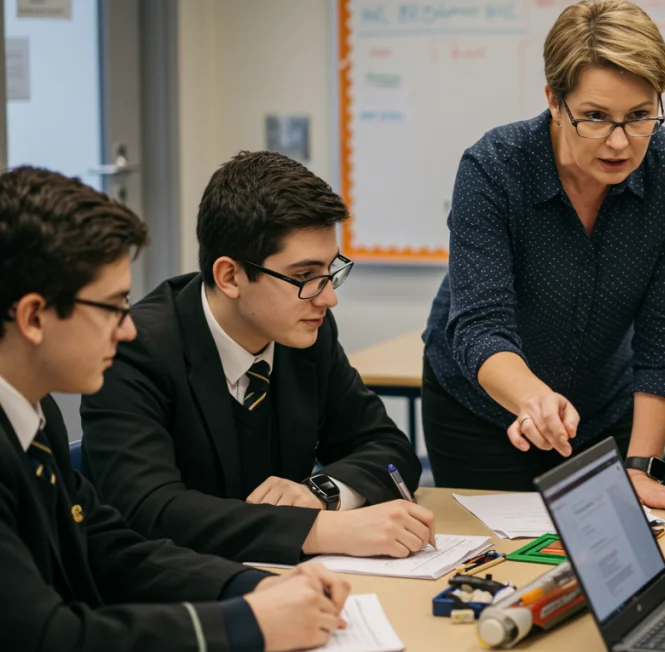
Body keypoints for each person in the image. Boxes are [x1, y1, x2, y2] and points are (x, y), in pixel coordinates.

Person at [0, 165, 352, 652]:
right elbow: (47, 637)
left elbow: (107, 545)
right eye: (110, 307)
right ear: (34, 317)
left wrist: (248, 588)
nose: (126, 329)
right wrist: (244, 626)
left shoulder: (35, 417)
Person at [81, 151, 433, 564]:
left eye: (330, 270)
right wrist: (318, 529)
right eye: (304, 277)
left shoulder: (306, 333)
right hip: (175, 595)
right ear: (229, 277)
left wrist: (322, 492)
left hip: (281, 575)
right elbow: (149, 511)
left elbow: (388, 448)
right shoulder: (135, 349)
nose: (328, 297)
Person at [421, 0, 665, 511]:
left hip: (603, 407)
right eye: (595, 117)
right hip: (483, 414)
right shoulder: (495, 167)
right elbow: (480, 325)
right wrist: (532, 398)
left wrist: (641, 468)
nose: (619, 143)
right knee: (494, 569)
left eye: (639, 116)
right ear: (555, 101)